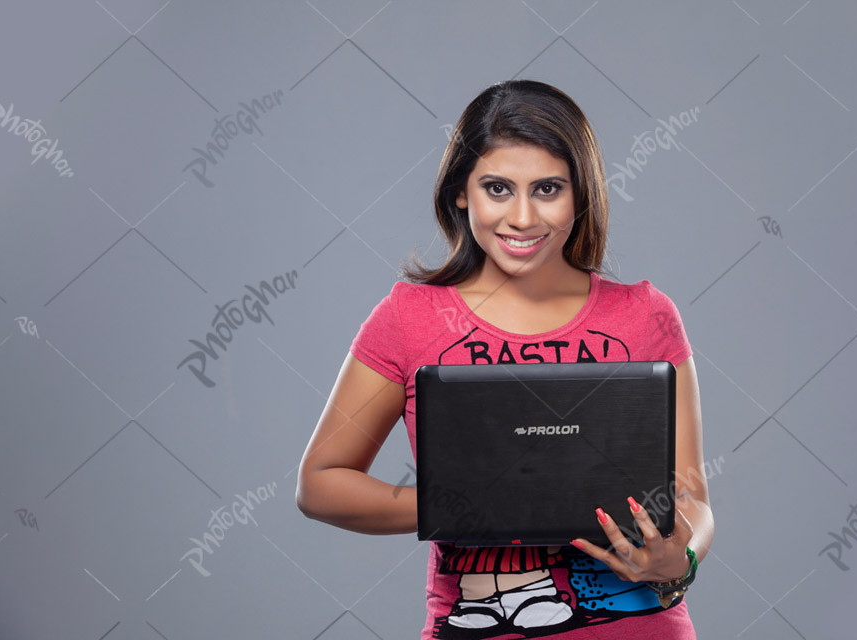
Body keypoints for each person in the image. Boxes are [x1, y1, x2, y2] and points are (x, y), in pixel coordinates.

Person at [296, 79, 714, 639]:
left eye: (547, 189)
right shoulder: (408, 318)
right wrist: (466, 504)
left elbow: (691, 497)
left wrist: (679, 562)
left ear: (580, 194)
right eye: (497, 188)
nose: (521, 217)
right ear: (461, 192)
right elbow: (320, 482)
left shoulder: (645, 314)